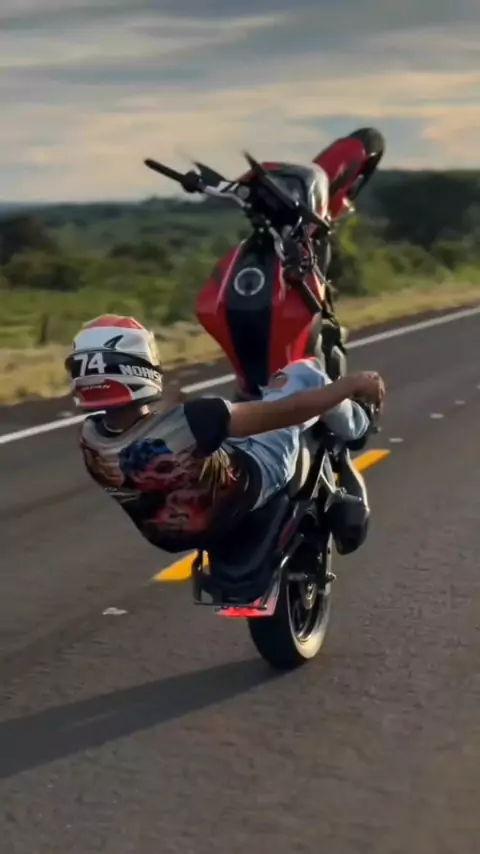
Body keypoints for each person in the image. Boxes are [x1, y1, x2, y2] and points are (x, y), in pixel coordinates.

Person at [65, 314, 385, 555]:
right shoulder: (198, 419)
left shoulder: (91, 440)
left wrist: (171, 405)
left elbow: (146, 430)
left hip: (171, 536)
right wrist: (350, 385)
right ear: (139, 365)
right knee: (307, 375)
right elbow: (288, 412)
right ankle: (359, 426)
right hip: (252, 485)